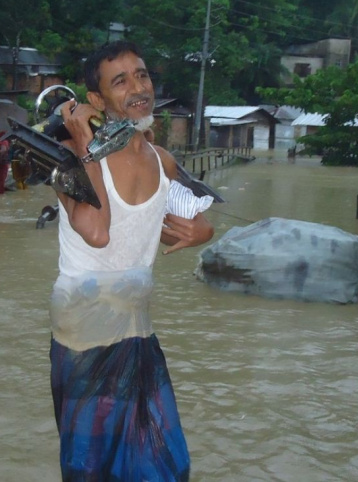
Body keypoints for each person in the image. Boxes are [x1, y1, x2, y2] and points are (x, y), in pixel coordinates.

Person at [49, 41, 214, 481]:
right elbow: (99, 231)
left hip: (137, 327)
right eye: (120, 81)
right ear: (97, 101)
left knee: (162, 456)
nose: (137, 87)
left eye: (142, 75)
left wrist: (203, 231)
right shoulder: (67, 159)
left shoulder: (162, 161)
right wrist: (87, 145)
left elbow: (178, 217)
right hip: (85, 331)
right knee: (92, 462)